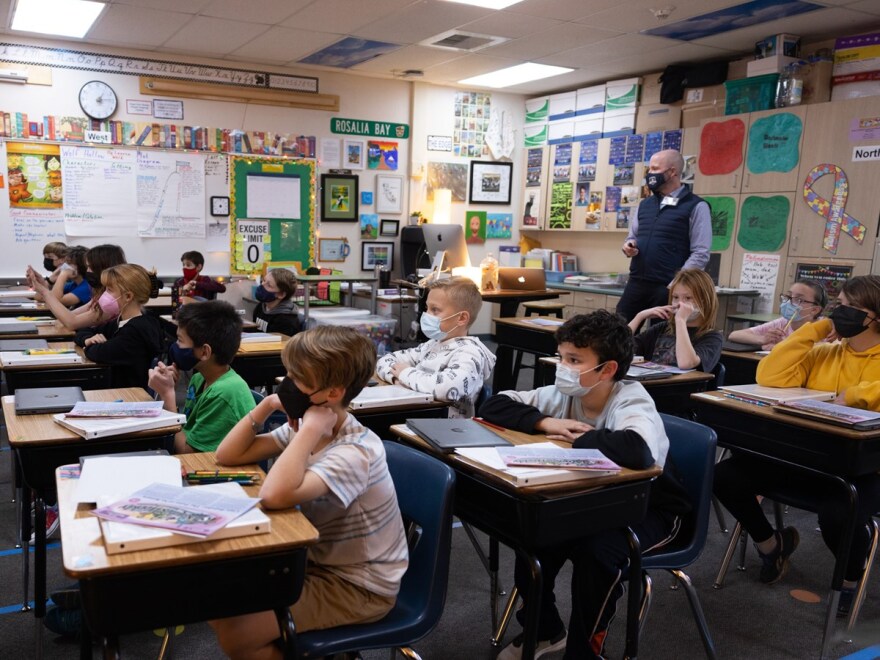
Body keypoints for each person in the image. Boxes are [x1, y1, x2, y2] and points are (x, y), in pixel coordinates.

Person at [480, 310, 690, 659]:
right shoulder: (565, 394)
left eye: (574, 359)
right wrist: (546, 422)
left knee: (598, 554)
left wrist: (579, 438)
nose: (561, 366)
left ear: (607, 369)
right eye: (561, 356)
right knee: (532, 537)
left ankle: (584, 651)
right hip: (593, 500)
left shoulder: (631, 399)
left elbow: (636, 450)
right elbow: (495, 404)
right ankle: (547, 631)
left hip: (653, 508)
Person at [210, 326, 408, 658]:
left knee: (237, 636)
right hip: (314, 561)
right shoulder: (309, 429)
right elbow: (226, 455)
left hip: (360, 586)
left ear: (332, 393)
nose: (287, 383)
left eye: (297, 378)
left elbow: (274, 495)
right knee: (217, 597)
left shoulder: (355, 451)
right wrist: (267, 406)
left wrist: (311, 430)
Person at [714, 275, 880, 613]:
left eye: (849, 308)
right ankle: (772, 544)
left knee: (839, 513)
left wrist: (857, 395)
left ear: (874, 316)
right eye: (838, 306)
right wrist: (814, 330)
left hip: (865, 470)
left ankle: (851, 580)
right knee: (726, 475)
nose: (838, 314)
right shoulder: (826, 351)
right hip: (810, 459)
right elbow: (769, 376)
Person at [376, 276, 495, 417]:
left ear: (462, 318)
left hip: (444, 429)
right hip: (416, 415)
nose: (426, 315)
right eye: (427, 308)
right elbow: (385, 360)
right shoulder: (432, 344)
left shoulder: (469, 353)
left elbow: (447, 388)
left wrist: (405, 374)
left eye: (435, 310)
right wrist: (397, 379)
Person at [616, 149, 712, 324]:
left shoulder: (696, 206)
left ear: (672, 171)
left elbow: (701, 252)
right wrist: (629, 246)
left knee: (658, 340)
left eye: (654, 169)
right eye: (649, 170)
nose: (650, 174)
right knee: (617, 333)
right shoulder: (645, 204)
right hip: (637, 282)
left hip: (667, 287)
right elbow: (633, 236)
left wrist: (677, 284)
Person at [148, 300, 254, 454]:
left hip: (211, 471)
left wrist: (168, 396)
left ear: (204, 352)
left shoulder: (224, 393)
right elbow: (186, 431)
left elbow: (188, 453)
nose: (175, 346)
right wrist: (170, 389)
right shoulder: (200, 378)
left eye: (180, 340)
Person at [74, 264, 164, 389]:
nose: (104, 295)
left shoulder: (135, 331)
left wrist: (89, 346)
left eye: (109, 290)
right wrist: (87, 339)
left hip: (131, 398)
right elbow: (83, 331)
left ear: (128, 296)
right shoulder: (122, 321)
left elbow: (98, 353)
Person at [628, 268, 722, 373]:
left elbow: (685, 363)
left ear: (704, 302)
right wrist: (639, 317)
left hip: (684, 388)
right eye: (675, 297)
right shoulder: (663, 328)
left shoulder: (712, 337)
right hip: (653, 385)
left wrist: (680, 320)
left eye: (688, 298)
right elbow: (617, 349)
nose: (679, 303)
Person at [26, 244, 127, 330]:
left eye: (90, 267)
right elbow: (71, 315)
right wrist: (43, 284)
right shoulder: (100, 293)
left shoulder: (110, 300)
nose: (88, 271)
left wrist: (61, 276)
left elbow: (71, 322)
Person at [728, 279, 827, 350]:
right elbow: (734, 335)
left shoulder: (825, 327)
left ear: (814, 310)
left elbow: (825, 350)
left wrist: (785, 344)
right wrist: (763, 339)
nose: (789, 302)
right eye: (789, 296)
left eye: (799, 299)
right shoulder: (783, 322)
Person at [252, 268, 302, 336]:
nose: (262, 285)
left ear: (281, 294)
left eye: (269, 285)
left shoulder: (286, 321)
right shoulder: (261, 307)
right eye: (263, 280)